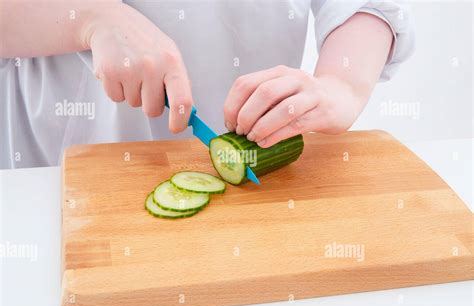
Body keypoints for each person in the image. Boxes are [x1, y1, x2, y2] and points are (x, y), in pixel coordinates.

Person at [0, 0, 414, 169]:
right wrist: (89, 17)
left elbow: (368, 6)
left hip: (237, 165)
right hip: (51, 169)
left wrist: (340, 84)